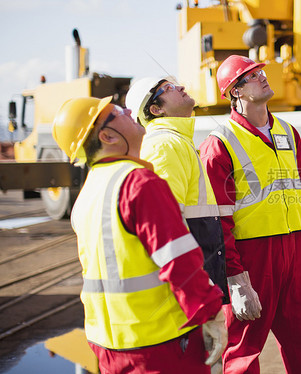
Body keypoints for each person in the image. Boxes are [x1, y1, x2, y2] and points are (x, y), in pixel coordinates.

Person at [51, 96, 227, 374]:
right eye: (118, 111)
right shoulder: (138, 183)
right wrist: (211, 313)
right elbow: (178, 260)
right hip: (160, 346)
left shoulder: (88, 193)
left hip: (107, 346)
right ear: (107, 135)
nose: (130, 110)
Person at [199, 55, 301, 374]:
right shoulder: (219, 145)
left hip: (294, 252)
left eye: (260, 72)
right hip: (252, 258)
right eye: (251, 75)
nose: (263, 77)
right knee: (243, 352)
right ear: (235, 92)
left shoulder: (288, 132)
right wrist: (235, 279)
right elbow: (218, 221)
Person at [126, 77, 229, 305]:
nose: (181, 87)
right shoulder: (164, 146)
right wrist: (200, 288)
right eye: (168, 88)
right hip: (190, 292)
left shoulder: (177, 142)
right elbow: (167, 229)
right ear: (156, 109)